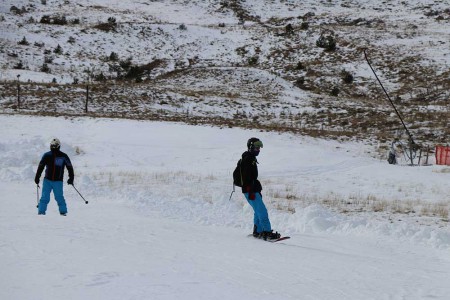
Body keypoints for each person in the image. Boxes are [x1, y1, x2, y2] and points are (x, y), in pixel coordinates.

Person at [240, 137, 280, 240]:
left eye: (259, 148)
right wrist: (251, 191)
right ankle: (266, 232)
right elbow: (246, 178)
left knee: (258, 210)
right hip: (250, 190)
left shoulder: (250, 158)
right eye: (256, 148)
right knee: (262, 211)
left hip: (252, 190)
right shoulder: (248, 159)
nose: (258, 150)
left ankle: (257, 231)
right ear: (251, 147)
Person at [34, 138, 74, 216]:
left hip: (58, 181)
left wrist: (71, 178)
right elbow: (41, 166)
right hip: (47, 180)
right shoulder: (47, 155)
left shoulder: (64, 156)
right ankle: (41, 213)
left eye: (55, 146)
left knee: (59, 197)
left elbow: (70, 167)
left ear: (58, 146)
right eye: (52, 145)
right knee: (45, 197)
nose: (54, 147)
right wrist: (37, 177)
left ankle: (63, 212)